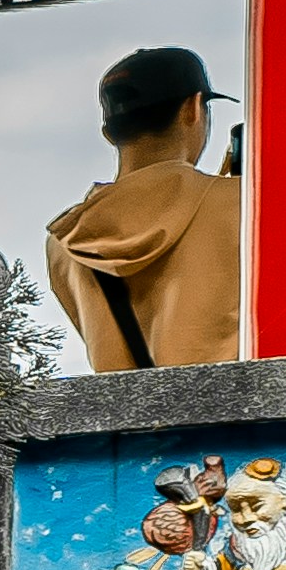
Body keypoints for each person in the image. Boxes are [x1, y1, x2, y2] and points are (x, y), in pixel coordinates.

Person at [44, 45, 244, 371]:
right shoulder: (244, 205)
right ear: (193, 109)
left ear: (109, 132)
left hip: (126, 418)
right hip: (238, 414)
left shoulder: (62, 243)